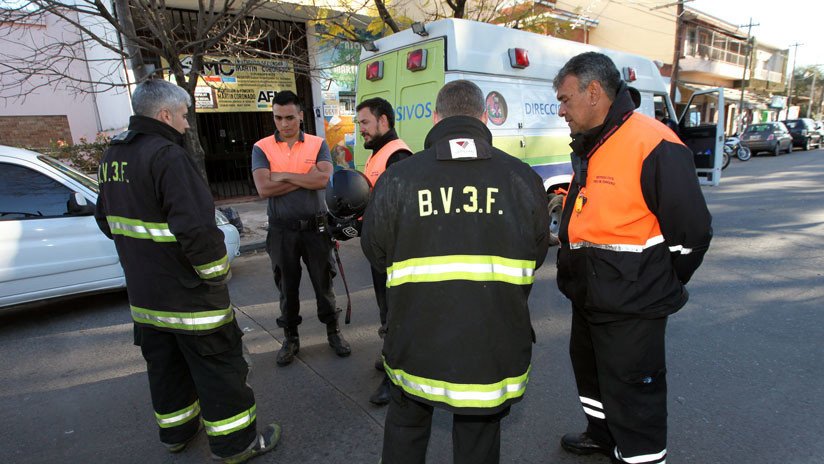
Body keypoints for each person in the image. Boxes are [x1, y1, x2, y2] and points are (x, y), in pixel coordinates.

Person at [361, 80, 550, 464]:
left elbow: (376, 254)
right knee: (478, 438)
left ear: (436, 118)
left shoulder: (398, 178)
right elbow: (535, 256)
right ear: (484, 118)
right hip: (490, 343)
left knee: (406, 428)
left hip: (414, 339)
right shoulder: (522, 178)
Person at [94, 79, 279, 463]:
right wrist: (216, 273)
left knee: (166, 370)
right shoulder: (168, 157)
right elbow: (197, 229)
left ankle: (177, 434)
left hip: (145, 298)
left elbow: (106, 221)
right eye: (182, 115)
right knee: (219, 370)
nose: (186, 123)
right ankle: (236, 445)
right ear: (164, 114)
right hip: (190, 299)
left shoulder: (113, 156)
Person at [552, 52, 712, 464]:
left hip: (632, 302)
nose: (561, 110)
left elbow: (693, 233)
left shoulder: (652, 141)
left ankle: (641, 457)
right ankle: (602, 435)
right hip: (590, 295)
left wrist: (659, 280)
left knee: (634, 393)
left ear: (593, 92)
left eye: (565, 99)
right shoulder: (595, 141)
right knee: (593, 377)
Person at [251, 90, 351, 366]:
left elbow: (323, 180)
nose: (284, 124)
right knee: (287, 286)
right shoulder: (262, 147)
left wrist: (282, 175)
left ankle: (334, 332)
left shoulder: (318, 144)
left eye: (289, 118)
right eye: (278, 118)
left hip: (316, 228)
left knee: (324, 282)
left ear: (301, 116)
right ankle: (290, 338)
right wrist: (305, 178)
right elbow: (264, 188)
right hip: (281, 230)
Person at [355, 97, 413, 406]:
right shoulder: (379, 153)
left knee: (396, 315)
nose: (361, 129)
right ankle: (390, 355)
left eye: (365, 122)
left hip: (395, 255)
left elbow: (401, 211)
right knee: (387, 312)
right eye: (359, 124)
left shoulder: (397, 156)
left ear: (383, 121)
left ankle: (396, 379)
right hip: (383, 252)